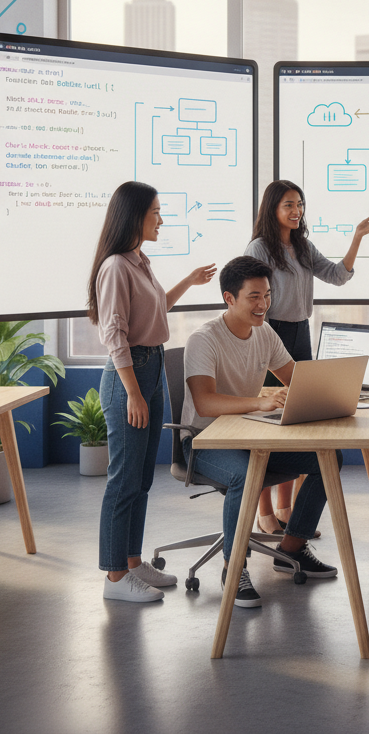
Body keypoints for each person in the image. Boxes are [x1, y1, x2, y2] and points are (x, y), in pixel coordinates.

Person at [182, 256, 342, 608]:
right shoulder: (204, 339)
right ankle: (233, 566)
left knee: (327, 458)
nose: (264, 304)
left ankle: (292, 549)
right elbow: (205, 403)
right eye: (254, 297)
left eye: (267, 295)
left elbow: (295, 378)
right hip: (204, 442)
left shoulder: (264, 332)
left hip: (250, 435)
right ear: (230, 299)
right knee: (244, 475)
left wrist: (336, 390)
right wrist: (259, 403)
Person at [88, 180, 216, 603]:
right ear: (135, 215)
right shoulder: (115, 267)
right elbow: (114, 334)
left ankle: (131, 561)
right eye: (156, 212)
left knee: (142, 479)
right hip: (130, 375)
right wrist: (134, 394)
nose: (161, 219)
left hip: (152, 366)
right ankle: (113, 579)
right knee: (123, 480)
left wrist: (189, 282)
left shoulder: (138, 260)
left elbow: (158, 306)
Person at [245, 180, 369, 533]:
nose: (296, 211)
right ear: (273, 209)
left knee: (297, 419)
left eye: (300, 204)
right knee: (271, 421)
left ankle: (286, 508)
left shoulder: (303, 247)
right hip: (269, 331)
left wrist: (357, 238)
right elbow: (251, 293)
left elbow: (338, 277)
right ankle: (264, 514)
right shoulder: (260, 247)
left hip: (300, 333)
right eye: (288, 205)